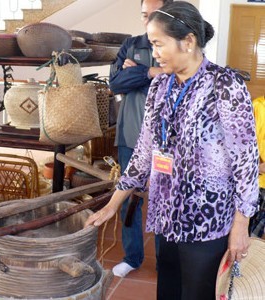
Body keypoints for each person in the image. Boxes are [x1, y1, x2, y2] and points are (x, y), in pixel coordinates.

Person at [86, 2, 259, 299]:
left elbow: (246, 160)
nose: (153, 53)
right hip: (167, 214)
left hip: (208, 220)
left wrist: (241, 224)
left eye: (158, 43)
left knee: (198, 292)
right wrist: (114, 203)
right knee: (167, 290)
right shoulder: (160, 86)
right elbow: (144, 152)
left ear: (188, 41)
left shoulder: (224, 84)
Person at [109, 0, 169, 277]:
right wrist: (147, 71)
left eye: (154, 16)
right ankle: (132, 258)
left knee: (162, 200)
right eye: (145, 16)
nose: (148, 22)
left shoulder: (175, 46)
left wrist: (134, 73)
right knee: (131, 198)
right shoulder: (131, 45)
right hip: (131, 135)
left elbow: (177, 79)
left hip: (167, 142)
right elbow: (115, 84)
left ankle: (164, 261)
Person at [249, 95, 265, 237]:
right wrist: (258, 166)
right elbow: (247, 142)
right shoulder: (257, 106)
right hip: (258, 182)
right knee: (252, 230)